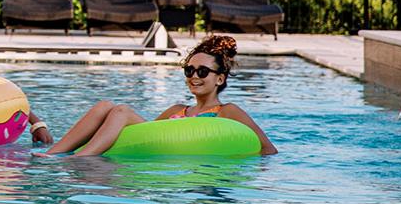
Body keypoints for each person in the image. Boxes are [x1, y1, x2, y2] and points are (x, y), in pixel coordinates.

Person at [44, 35, 278, 156]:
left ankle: (80, 159)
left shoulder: (228, 111)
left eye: (203, 71)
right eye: (189, 70)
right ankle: (51, 155)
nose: (194, 76)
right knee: (106, 105)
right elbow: (146, 138)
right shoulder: (177, 110)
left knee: (122, 111)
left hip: (195, 166)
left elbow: (267, 149)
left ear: (220, 78)